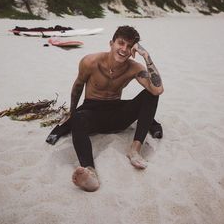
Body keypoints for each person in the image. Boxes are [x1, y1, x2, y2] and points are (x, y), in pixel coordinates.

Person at [46, 25, 164, 192]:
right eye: (121, 43)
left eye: (130, 46)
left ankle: (135, 150)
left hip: (117, 114)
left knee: (150, 95)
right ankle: (90, 172)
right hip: (92, 113)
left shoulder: (134, 67)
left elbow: (157, 90)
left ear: (134, 50)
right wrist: (72, 112)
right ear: (111, 43)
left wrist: (146, 56)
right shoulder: (90, 62)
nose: (124, 49)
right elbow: (78, 86)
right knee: (78, 118)